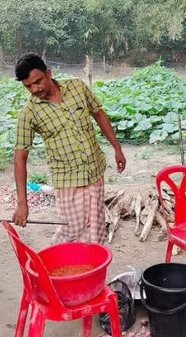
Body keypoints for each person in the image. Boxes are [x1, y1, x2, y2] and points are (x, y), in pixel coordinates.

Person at [12, 53, 126, 244]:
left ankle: (91, 267)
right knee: (71, 229)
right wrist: (22, 203)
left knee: (95, 226)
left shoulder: (77, 86)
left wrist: (117, 148)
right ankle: (57, 265)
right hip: (67, 179)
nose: (34, 89)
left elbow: (99, 114)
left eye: (37, 81)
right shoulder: (28, 113)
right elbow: (19, 158)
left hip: (94, 170)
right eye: (28, 86)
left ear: (48, 73)